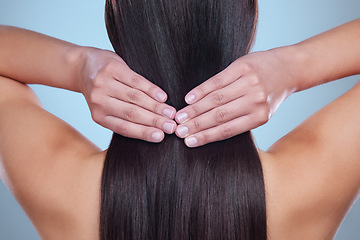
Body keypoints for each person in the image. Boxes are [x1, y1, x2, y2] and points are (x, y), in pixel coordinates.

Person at [0, 0, 359, 238]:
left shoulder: (59, 181)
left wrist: (75, 66)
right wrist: (294, 66)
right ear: (244, 21)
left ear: (116, 21)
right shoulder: (310, 178)